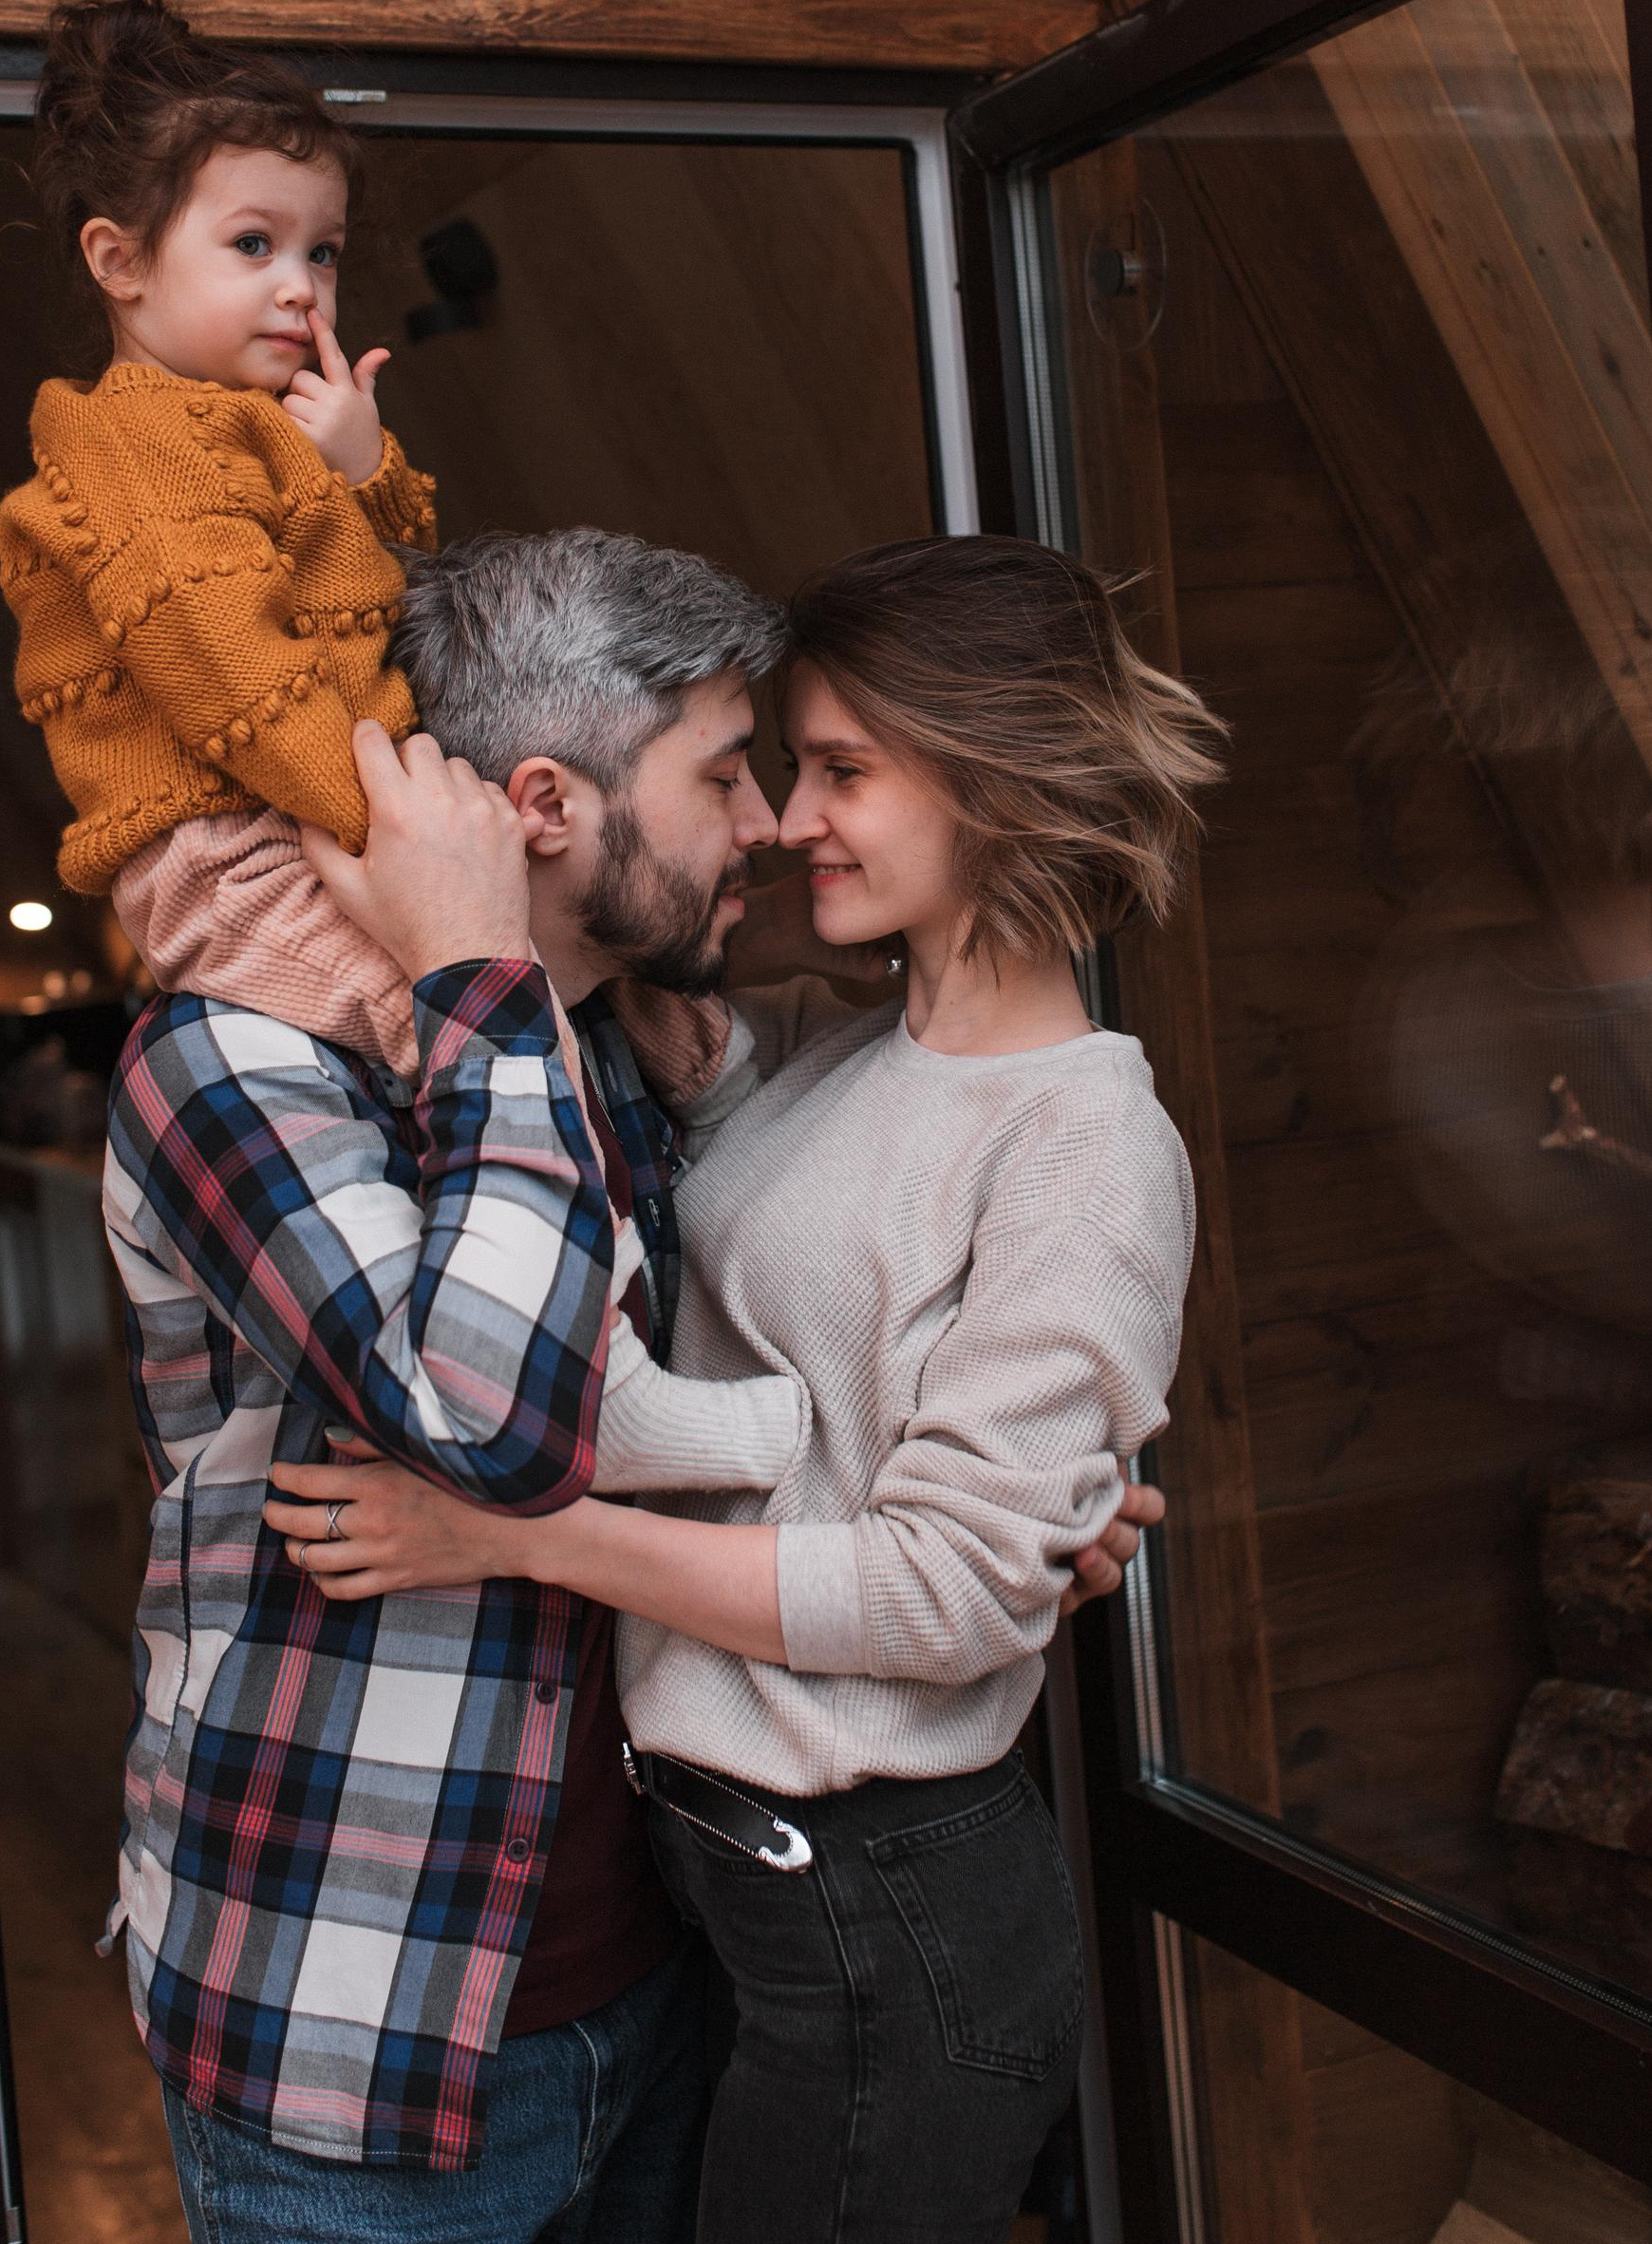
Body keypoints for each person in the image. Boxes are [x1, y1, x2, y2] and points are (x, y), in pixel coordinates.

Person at [97, 521, 1159, 2244]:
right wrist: (479, 987)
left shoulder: (614, 1043)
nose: (767, 826)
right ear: (544, 807)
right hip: (366, 2030)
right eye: (736, 774)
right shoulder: (239, 1066)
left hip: (682, 1976)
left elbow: (803, 1377)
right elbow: (495, 1430)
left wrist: (1031, 1506)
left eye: (811, 772)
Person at [0, 0, 441, 1078]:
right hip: (223, 849)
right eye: (255, 244)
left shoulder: (272, 429)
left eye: (321, 253)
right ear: (121, 262)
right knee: (438, 1021)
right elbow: (232, 674)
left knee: (547, 967)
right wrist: (397, 838)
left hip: (328, 805)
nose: (302, 291)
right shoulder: (130, 443)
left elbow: (412, 591)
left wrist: (363, 467)